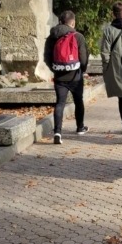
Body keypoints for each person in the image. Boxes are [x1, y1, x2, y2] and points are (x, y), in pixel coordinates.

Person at [44, 9, 89, 145]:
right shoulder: (78, 36)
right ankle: (80, 127)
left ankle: (58, 131)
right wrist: (82, 70)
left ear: (60, 22)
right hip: (75, 76)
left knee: (60, 103)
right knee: (78, 101)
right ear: (73, 22)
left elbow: (47, 57)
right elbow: (83, 57)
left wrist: (55, 69)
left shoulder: (52, 36)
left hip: (59, 77)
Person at [100, 2, 122, 145]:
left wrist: (107, 68)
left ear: (113, 14)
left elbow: (104, 52)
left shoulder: (108, 30)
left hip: (115, 68)